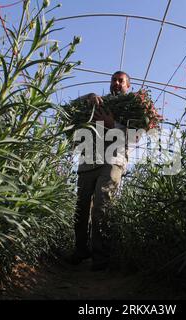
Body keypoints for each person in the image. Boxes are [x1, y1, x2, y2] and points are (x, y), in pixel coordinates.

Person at [67, 71, 132, 271]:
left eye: (121, 81)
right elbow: (69, 110)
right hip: (89, 159)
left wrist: (113, 126)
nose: (117, 83)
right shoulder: (97, 103)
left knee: (101, 206)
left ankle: (101, 256)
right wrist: (88, 97)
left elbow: (134, 136)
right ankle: (81, 249)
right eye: (114, 80)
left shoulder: (132, 106)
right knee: (81, 208)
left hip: (112, 159)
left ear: (128, 86)